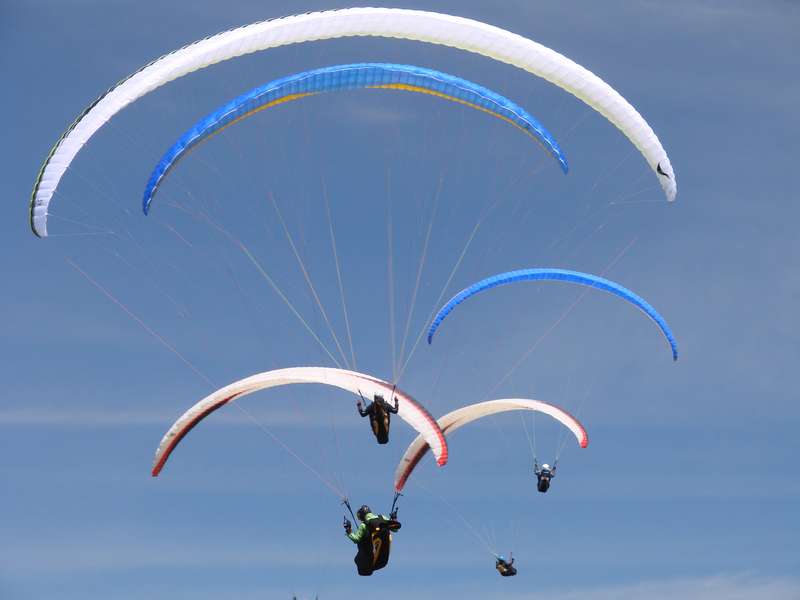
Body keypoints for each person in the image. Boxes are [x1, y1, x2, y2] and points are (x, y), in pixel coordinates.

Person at [343, 504, 401, 576]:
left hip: (376, 561)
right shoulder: (382, 517)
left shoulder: (364, 525)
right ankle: (382, 529)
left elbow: (356, 539)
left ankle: (380, 530)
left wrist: (348, 530)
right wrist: (394, 519)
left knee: (357, 559)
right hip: (384, 556)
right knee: (381, 529)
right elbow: (395, 529)